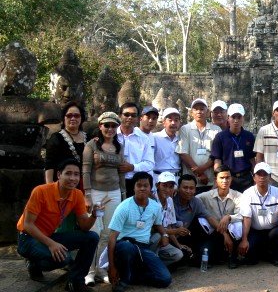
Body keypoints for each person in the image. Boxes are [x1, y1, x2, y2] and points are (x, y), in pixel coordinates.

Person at [17, 159, 100, 292]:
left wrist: (94, 216)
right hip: (28, 237)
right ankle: (34, 263)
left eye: (76, 174)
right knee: (63, 259)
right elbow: (28, 224)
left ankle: (76, 281)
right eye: (68, 173)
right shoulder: (41, 191)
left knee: (92, 237)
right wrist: (51, 244)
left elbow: (84, 227)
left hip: (49, 236)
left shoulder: (77, 194)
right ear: (59, 175)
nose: (72, 178)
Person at [82, 112, 126, 286]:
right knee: (94, 233)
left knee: (108, 233)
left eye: (113, 126)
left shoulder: (119, 146)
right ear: (100, 126)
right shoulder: (91, 145)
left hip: (114, 192)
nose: (110, 129)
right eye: (106, 125)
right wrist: (87, 195)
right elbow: (85, 171)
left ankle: (102, 269)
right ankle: (89, 271)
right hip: (95, 193)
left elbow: (121, 172)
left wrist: (123, 195)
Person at [107, 172, 171, 292]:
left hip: (143, 247)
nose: (142, 188)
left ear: (150, 188)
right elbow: (112, 237)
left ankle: (133, 277)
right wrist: (112, 266)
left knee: (165, 279)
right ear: (134, 187)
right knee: (127, 247)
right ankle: (124, 279)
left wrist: (165, 234)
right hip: (124, 245)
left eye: (145, 185)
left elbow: (158, 224)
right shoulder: (124, 207)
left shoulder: (155, 206)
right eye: (139, 185)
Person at [238, 163, 278, 267]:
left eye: (265, 174)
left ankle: (276, 256)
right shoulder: (247, 193)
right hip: (255, 231)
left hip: (272, 230)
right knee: (250, 258)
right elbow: (247, 218)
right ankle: (263, 254)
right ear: (254, 177)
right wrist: (244, 240)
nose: (262, 177)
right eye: (258, 174)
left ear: (270, 178)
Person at [197, 165, 244, 269]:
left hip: (232, 234)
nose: (225, 181)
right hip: (215, 232)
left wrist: (229, 217)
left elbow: (242, 215)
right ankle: (219, 254)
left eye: (228, 177)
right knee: (205, 254)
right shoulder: (206, 196)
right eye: (221, 178)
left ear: (231, 179)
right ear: (215, 180)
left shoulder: (239, 196)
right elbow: (192, 200)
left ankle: (233, 255)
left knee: (238, 224)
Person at [177, 98, 221, 194]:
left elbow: (217, 154)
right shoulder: (185, 129)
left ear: (207, 111)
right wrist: (200, 173)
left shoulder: (216, 129)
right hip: (190, 181)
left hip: (210, 181)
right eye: (196, 109)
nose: (199, 112)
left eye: (202, 109)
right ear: (191, 112)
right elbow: (183, 153)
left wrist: (203, 168)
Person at [212, 103, 256, 192]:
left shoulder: (249, 136)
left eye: (239, 117)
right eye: (233, 117)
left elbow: (252, 159)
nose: (236, 120)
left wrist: (255, 178)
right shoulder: (220, 137)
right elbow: (217, 160)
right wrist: (217, 179)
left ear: (243, 118)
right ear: (228, 118)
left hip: (246, 179)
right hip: (228, 179)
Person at [172, 174, 213, 265]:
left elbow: (209, 217)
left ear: (195, 189)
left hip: (185, 236)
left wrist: (224, 234)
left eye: (191, 188)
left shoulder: (196, 202)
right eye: (185, 187)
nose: (188, 191)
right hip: (169, 237)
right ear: (178, 188)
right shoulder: (170, 200)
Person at [116, 103, 154, 197]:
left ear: (138, 118)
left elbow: (150, 163)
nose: (130, 117)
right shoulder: (112, 135)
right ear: (119, 115)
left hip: (135, 184)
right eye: (126, 114)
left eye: (133, 115)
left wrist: (133, 167)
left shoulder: (144, 138)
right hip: (114, 182)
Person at [45, 101, 88, 185]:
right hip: (62, 185)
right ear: (64, 118)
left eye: (76, 115)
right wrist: (49, 187)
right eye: (69, 116)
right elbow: (49, 164)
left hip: (85, 185)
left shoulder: (89, 138)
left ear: (81, 118)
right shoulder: (56, 138)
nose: (73, 118)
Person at [149, 172, 185, 268]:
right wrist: (176, 231)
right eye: (164, 186)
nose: (167, 189)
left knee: (178, 254)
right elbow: (155, 229)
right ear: (157, 185)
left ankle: (152, 265)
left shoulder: (169, 200)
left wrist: (179, 245)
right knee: (158, 236)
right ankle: (150, 264)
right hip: (150, 237)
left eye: (171, 186)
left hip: (163, 236)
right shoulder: (151, 201)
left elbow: (168, 225)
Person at [152, 108, 182, 186]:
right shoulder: (155, 138)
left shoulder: (181, 139)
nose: (173, 123)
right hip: (159, 179)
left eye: (176, 120)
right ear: (164, 122)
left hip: (176, 179)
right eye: (170, 120)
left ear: (179, 123)